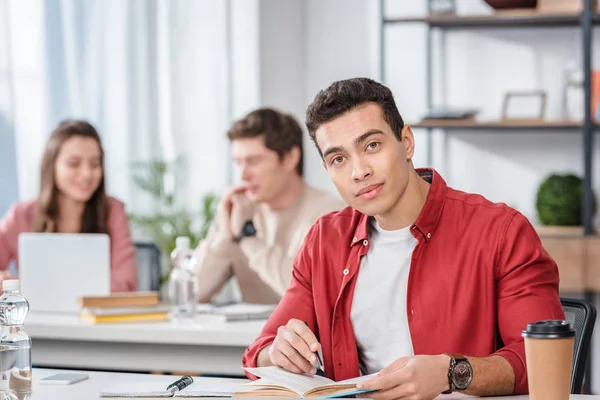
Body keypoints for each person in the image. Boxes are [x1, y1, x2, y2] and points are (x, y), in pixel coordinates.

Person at [242, 78, 565, 398]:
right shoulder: (325, 240)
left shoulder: (500, 232)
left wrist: (451, 373)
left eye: (372, 145)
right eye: (339, 159)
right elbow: (259, 352)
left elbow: (540, 363)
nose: (359, 171)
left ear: (407, 142)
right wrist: (279, 352)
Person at [194, 108, 345, 304]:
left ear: (291, 158)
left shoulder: (331, 215)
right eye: (238, 163)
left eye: (254, 161)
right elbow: (193, 292)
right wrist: (224, 237)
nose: (243, 175)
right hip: (248, 335)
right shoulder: (240, 210)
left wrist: (248, 237)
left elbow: (308, 294)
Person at [0, 119, 138, 292]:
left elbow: (127, 284)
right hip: (36, 317)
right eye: (74, 163)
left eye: (95, 164)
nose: (87, 173)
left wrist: (38, 286)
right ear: (52, 166)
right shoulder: (20, 215)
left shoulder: (113, 211)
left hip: (96, 317)